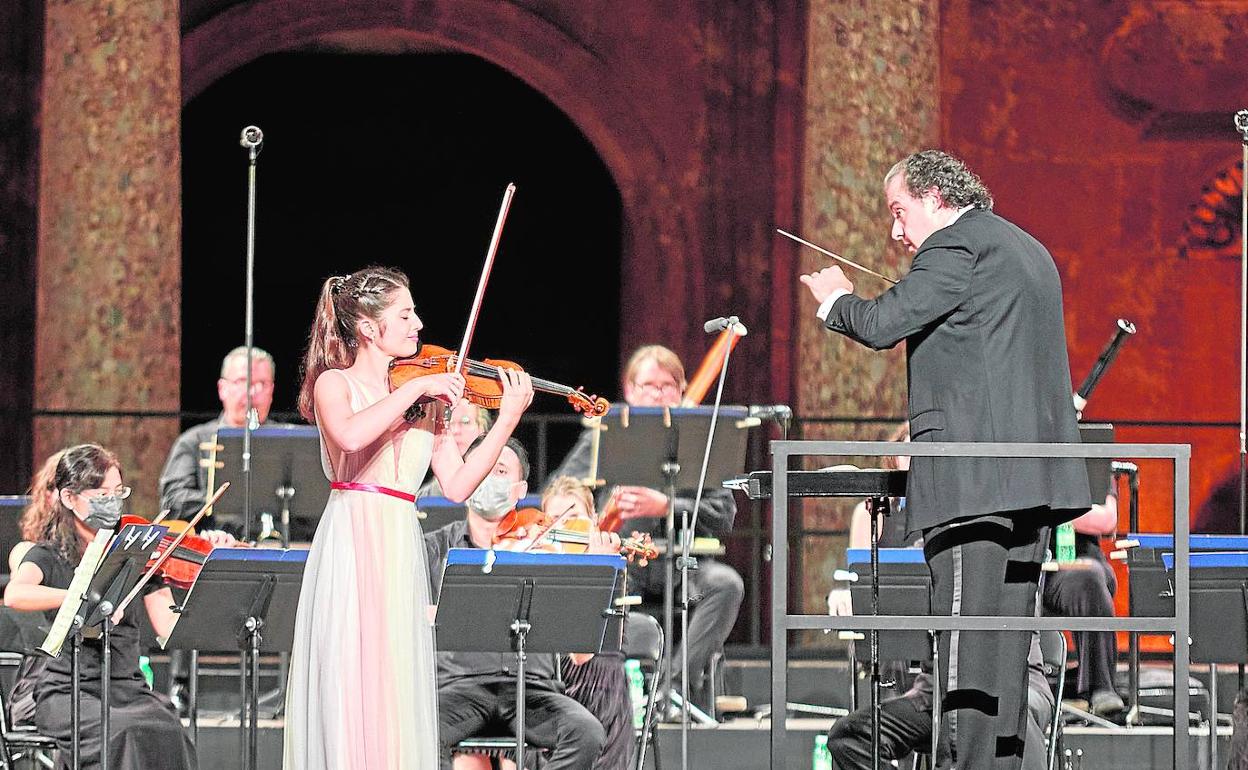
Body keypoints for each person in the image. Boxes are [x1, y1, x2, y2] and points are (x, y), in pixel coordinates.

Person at [801, 150, 1091, 770]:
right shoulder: (1027, 249)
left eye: (900, 212)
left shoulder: (955, 245)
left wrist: (836, 299)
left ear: (936, 197)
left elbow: (883, 323)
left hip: (973, 488)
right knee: (1004, 655)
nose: (896, 232)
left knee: (964, 649)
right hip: (1030, 490)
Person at [283, 267, 534, 770]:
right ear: (371, 329)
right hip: (353, 536)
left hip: (399, 537)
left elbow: (459, 485)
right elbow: (352, 436)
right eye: (405, 313)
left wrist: (505, 419)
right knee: (349, 677)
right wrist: (415, 393)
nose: (418, 323)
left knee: (392, 681)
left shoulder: (426, 400)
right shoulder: (337, 383)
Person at [547, 344, 744, 711]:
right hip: (622, 561)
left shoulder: (699, 441)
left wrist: (668, 505)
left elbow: (724, 513)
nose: (658, 393)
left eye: (667, 385)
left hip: (682, 564)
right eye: (649, 385)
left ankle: (669, 691)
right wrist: (595, 520)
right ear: (630, 390)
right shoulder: (606, 433)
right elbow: (559, 491)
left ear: (682, 390)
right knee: (585, 586)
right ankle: (591, 694)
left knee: (727, 586)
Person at [4, 444, 204, 770]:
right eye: (100, 493)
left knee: (168, 730)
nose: (111, 502)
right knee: (122, 733)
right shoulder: (48, 554)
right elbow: (16, 593)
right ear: (69, 498)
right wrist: (79, 595)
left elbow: (168, 625)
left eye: (117, 492)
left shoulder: (133, 553)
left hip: (127, 686)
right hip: (67, 691)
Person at [424, 441, 610, 770]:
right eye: (481, 468)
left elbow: (581, 653)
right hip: (459, 688)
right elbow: (404, 618)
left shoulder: (543, 548)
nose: (488, 479)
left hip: (532, 689)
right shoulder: (432, 549)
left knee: (586, 733)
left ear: (520, 490)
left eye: (500, 472)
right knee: (419, 731)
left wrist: (598, 570)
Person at [158, 345, 277, 533]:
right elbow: (173, 500)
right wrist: (229, 505)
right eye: (242, 382)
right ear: (222, 389)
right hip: (212, 547)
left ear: (272, 390)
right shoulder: (193, 441)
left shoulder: (288, 441)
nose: (252, 392)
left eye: (261, 383)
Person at [1040, 489, 1123, 716]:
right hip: (1027, 560)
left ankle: (1100, 686)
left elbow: (1106, 519)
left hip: (1078, 562)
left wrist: (1045, 509)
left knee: (1089, 576)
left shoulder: (1087, 459)